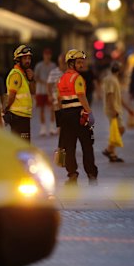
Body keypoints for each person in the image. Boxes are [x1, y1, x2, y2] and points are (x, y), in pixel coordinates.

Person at [57, 49, 98, 185]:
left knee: (69, 147)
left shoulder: (62, 79)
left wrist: (59, 121)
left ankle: (72, 175)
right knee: (87, 146)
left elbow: (59, 100)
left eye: (82, 62)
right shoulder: (78, 78)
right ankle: (91, 175)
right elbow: (81, 96)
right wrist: (89, 112)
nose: (81, 65)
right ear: (71, 63)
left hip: (65, 117)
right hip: (79, 116)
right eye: (79, 62)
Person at [102, 61, 134, 162]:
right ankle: (109, 149)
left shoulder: (113, 79)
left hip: (115, 108)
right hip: (113, 109)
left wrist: (128, 109)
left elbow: (118, 97)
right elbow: (110, 95)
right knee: (121, 129)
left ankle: (112, 154)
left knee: (115, 131)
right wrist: (113, 109)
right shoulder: (111, 80)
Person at [4, 45, 36, 142]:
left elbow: (33, 91)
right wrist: (5, 109)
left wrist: (31, 80)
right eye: (25, 58)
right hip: (18, 117)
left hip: (24, 117)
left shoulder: (23, 74)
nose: (28, 61)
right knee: (22, 146)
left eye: (29, 58)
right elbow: (11, 95)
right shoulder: (16, 74)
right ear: (18, 60)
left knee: (24, 145)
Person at [34, 48, 57, 136]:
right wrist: (44, 82)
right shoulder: (39, 65)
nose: (47, 56)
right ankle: (43, 128)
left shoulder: (53, 65)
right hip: (41, 90)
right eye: (46, 54)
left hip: (50, 91)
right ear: (43, 55)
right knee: (41, 109)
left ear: (50, 56)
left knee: (52, 109)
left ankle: (51, 127)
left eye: (49, 54)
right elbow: (35, 77)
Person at [47, 54, 66, 134]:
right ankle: (60, 127)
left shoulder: (70, 72)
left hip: (67, 96)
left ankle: (64, 127)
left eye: (64, 62)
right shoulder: (53, 72)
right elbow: (49, 84)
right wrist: (50, 95)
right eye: (61, 61)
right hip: (56, 95)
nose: (63, 63)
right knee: (58, 112)